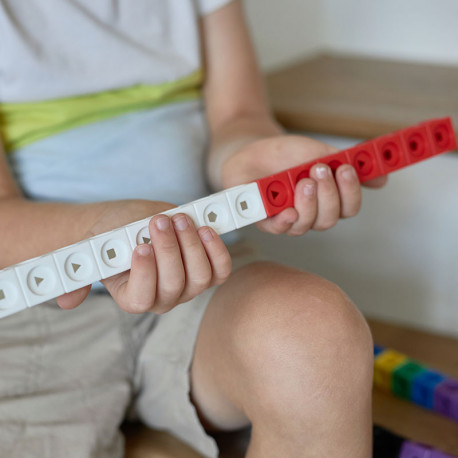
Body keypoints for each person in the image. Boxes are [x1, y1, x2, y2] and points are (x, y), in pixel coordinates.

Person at [0, 1, 386, 457]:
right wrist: (103, 235)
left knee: (317, 334)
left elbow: (236, 117)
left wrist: (248, 157)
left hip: (204, 273)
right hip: (34, 318)